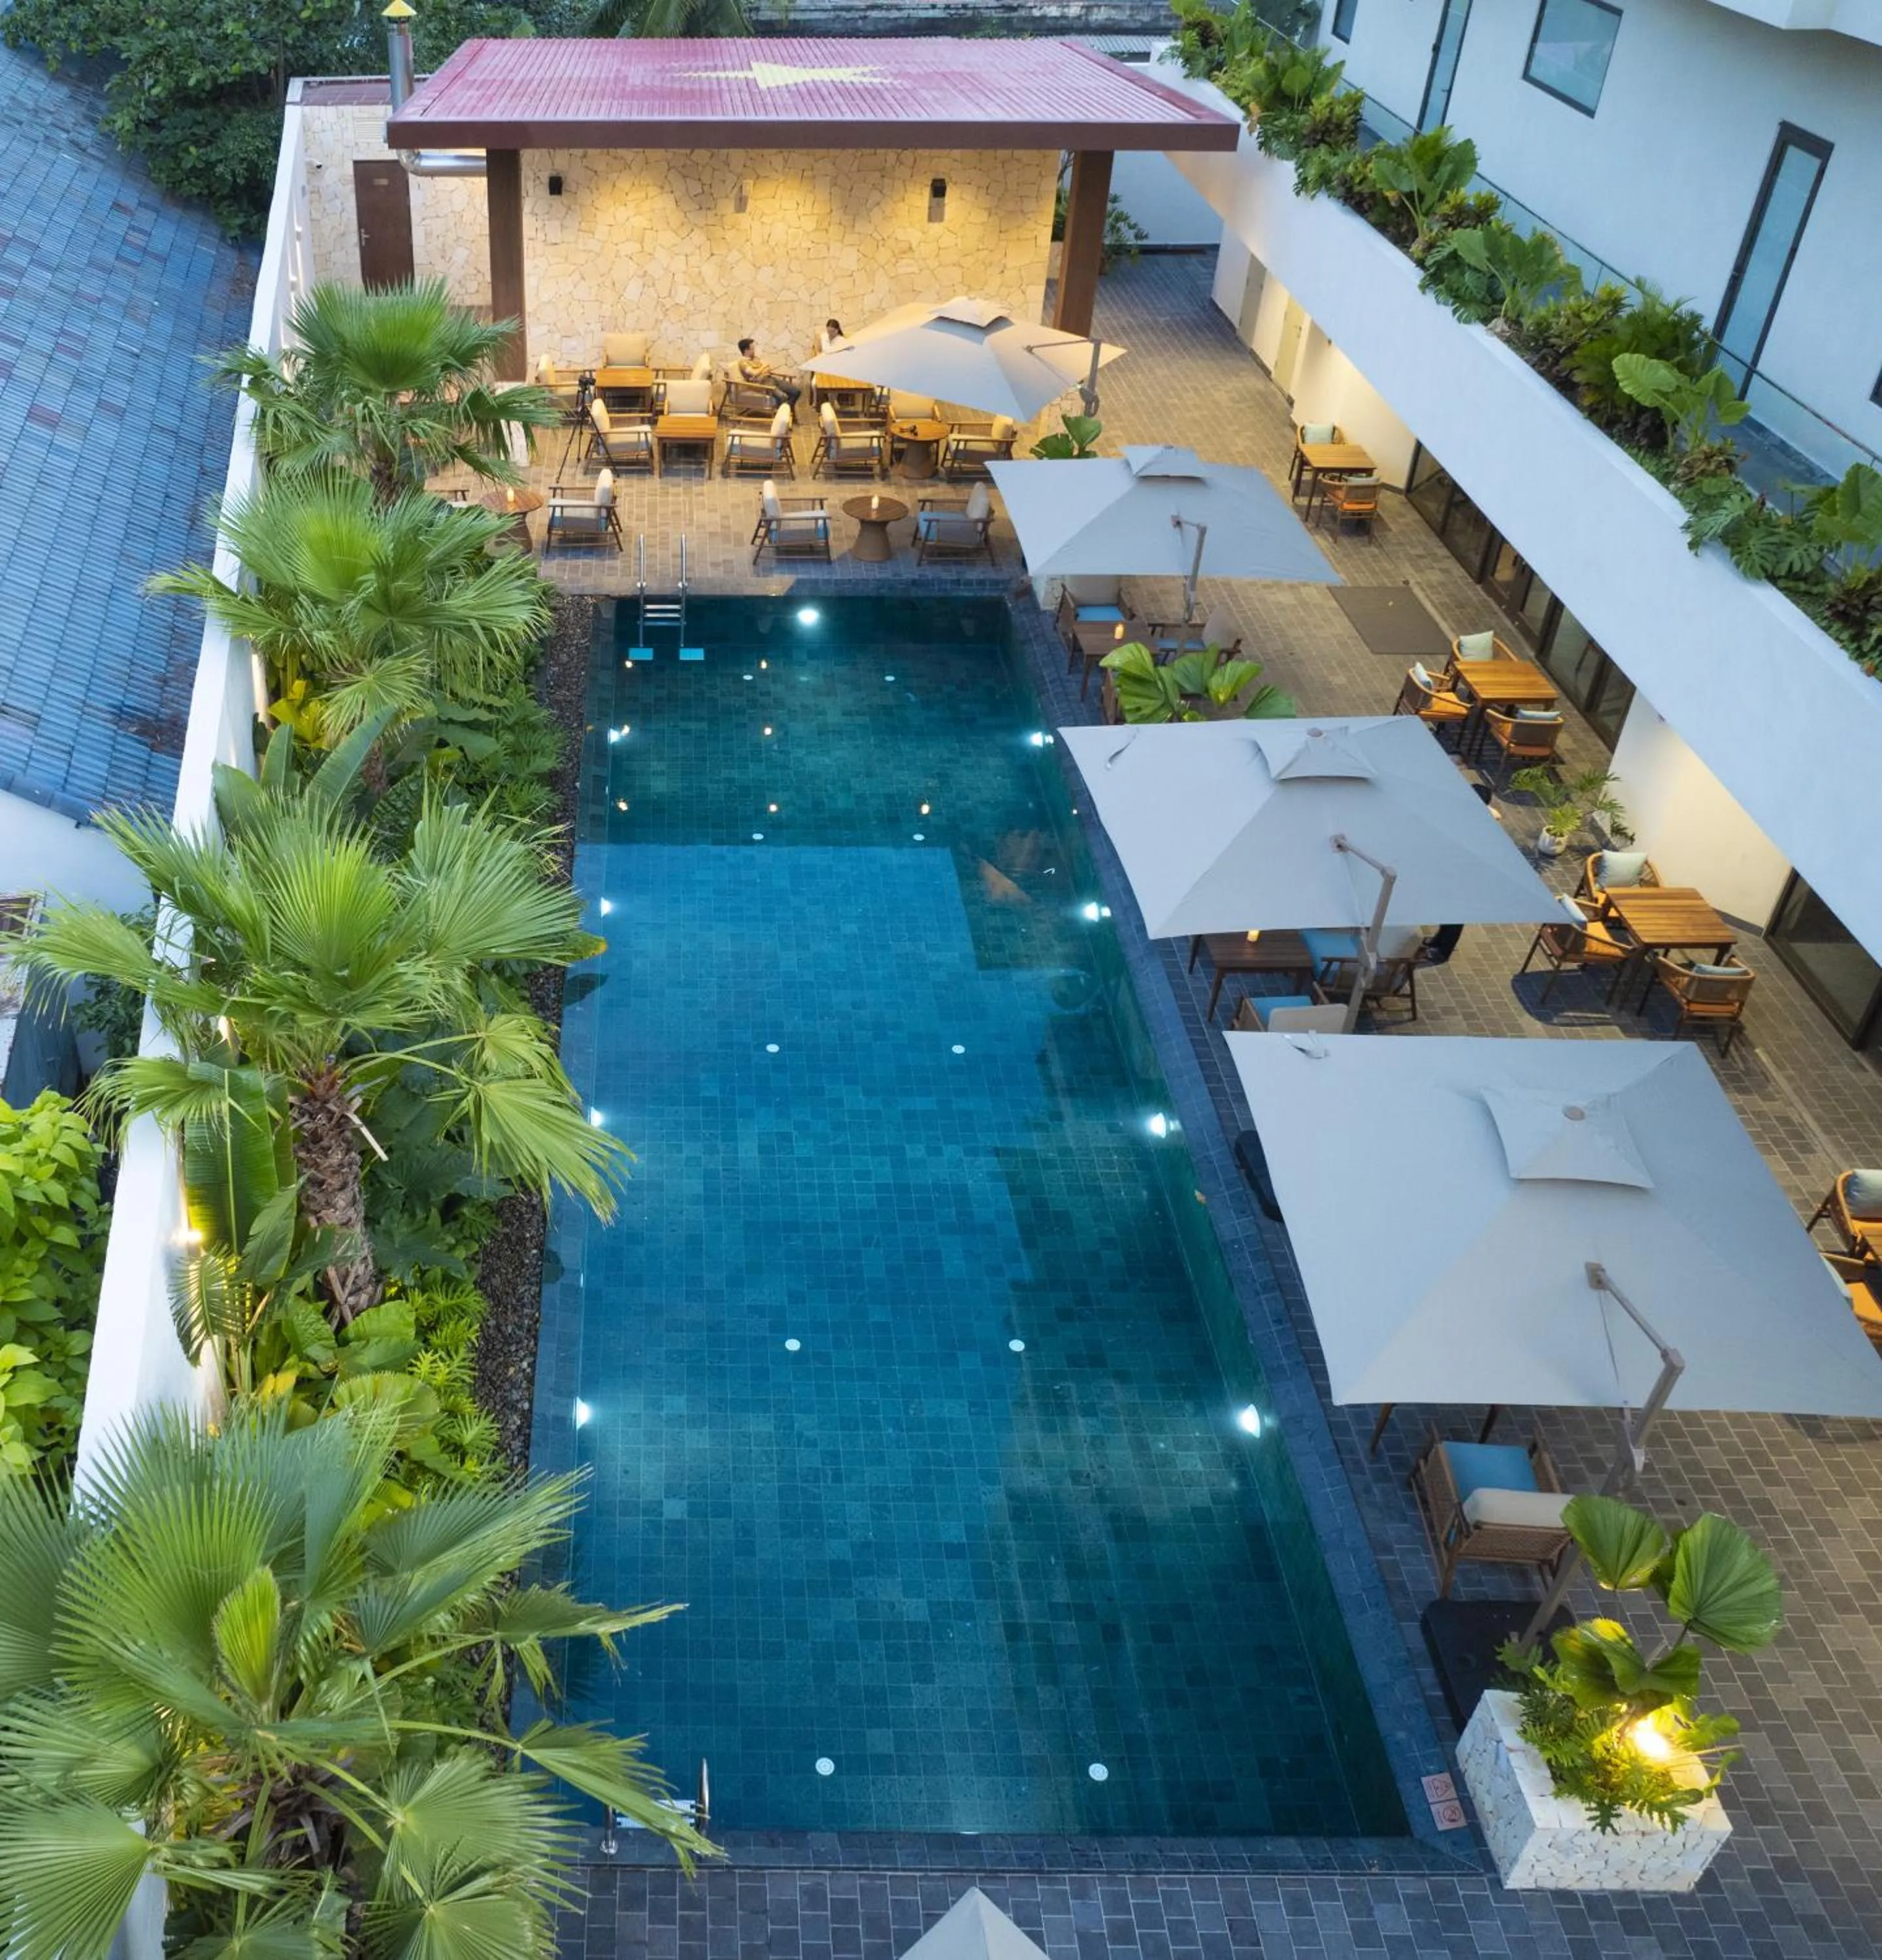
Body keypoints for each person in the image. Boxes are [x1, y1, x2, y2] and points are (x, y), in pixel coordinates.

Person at [736, 337, 801, 411]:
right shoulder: (743, 363)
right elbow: (754, 373)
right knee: (783, 397)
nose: (754, 350)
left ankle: (786, 412)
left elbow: (768, 367)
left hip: (771, 378)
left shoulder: (755, 358)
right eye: (752, 349)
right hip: (762, 384)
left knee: (796, 392)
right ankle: (783, 414)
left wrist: (762, 370)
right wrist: (763, 368)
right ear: (746, 350)